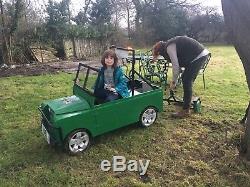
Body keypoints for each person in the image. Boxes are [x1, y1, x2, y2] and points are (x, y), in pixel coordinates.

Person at [152, 36, 210, 118]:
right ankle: (186, 102)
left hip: (198, 55)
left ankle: (186, 110)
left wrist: (173, 82)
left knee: (187, 81)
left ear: (160, 51)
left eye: (159, 54)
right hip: (198, 55)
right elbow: (178, 67)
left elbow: (176, 67)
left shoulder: (169, 48)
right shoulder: (168, 46)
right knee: (186, 79)